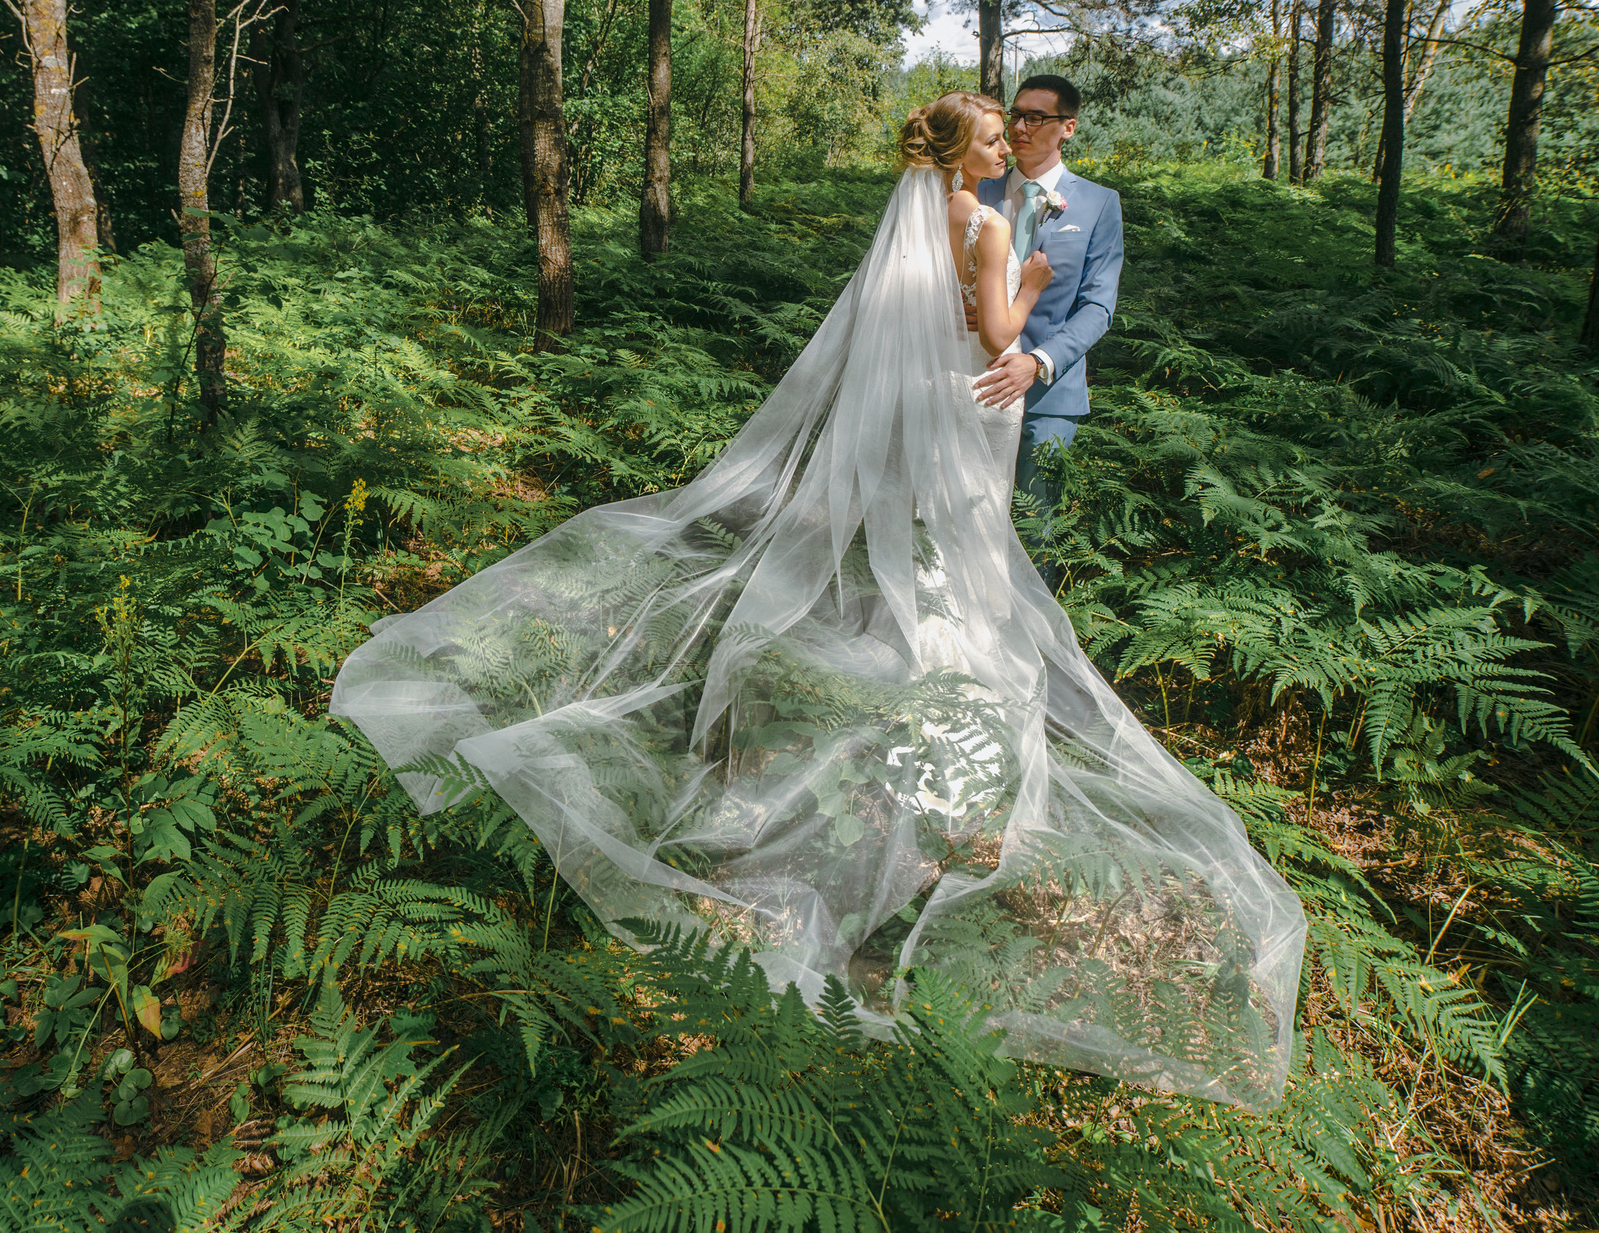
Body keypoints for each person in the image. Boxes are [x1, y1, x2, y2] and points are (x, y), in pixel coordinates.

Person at [329, 93, 1303, 1109]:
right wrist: (1033, 281)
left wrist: (1044, 319)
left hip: (929, 412)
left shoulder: (920, 214)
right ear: (972, 148)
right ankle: (942, 731)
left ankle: (909, 688)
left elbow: (940, 327)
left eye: (1017, 125)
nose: (1007, 138)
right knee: (957, 567)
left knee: (917, 564)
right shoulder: (991, 220)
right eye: (991, 130)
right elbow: (989, 329)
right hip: (968, 412)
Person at [967, 75, 1123, 578]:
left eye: (1036, 117)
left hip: (1048, 397)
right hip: (969, 378)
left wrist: (1038, 362)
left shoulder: (1100, 203)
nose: (1020, 127)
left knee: (1036, 527)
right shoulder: (974, 191)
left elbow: (1097, 307)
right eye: (1016, 115)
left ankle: (1027, 643)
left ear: (1068, 128)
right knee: (962, 513)